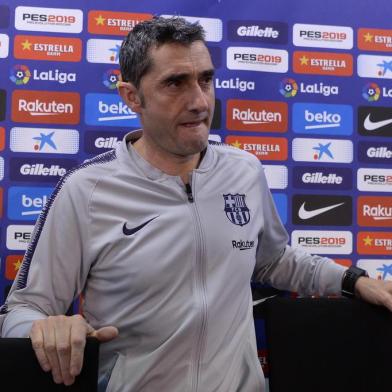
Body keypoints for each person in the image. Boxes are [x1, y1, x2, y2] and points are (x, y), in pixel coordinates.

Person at [1, 16, 392, 392]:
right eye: (176, 83)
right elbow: (22, 309)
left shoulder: (245, 170)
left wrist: (351, 280)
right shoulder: (85, 190)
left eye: (206, 79)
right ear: (131, 96)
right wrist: (44, 329)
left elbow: (272, 260)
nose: (199, 101)